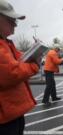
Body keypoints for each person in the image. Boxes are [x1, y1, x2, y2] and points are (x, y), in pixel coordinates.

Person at [0, 0, 40, 135]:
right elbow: (12, 72)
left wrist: (34, 51)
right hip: (4, 119)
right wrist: (35, 65)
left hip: (10, 114)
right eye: (11, 21)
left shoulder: (5, 43)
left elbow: (19, 59)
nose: (15, 26)